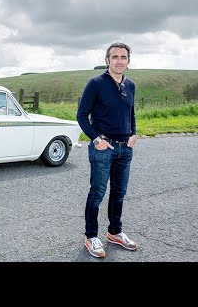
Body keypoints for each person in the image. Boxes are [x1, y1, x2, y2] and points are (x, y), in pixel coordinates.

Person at [76, 42, 138, 258]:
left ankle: (115, 232)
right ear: (107, 60)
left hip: (125, 148)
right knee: (97, 193)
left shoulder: (130, 85)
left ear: (128, 62)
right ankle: (91, 236)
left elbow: (131, 113)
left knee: (119, 194)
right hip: (103, 148)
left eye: (123, 57)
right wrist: (96, 140)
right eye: (115, 57)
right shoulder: (95, 84)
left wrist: (133, 134)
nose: (119, 61)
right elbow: (81, 116)